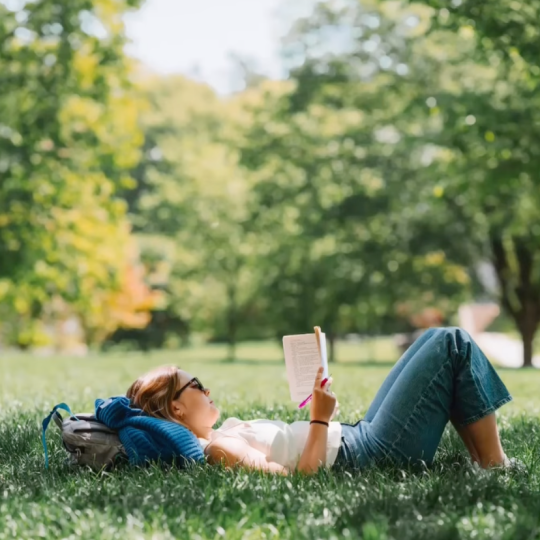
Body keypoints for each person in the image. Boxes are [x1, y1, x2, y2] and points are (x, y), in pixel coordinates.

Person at [126, 327, 514, 475]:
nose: (205, 390)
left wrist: (324, 416)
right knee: (451, 344)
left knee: (435, 337)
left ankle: (485, 459)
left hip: (357, 437)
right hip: (370, 454)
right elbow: (301, 479)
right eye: (194, 384)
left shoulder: (223, 435)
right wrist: (318, 420)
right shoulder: (220, 448)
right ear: (176, 408)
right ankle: (493, 464)